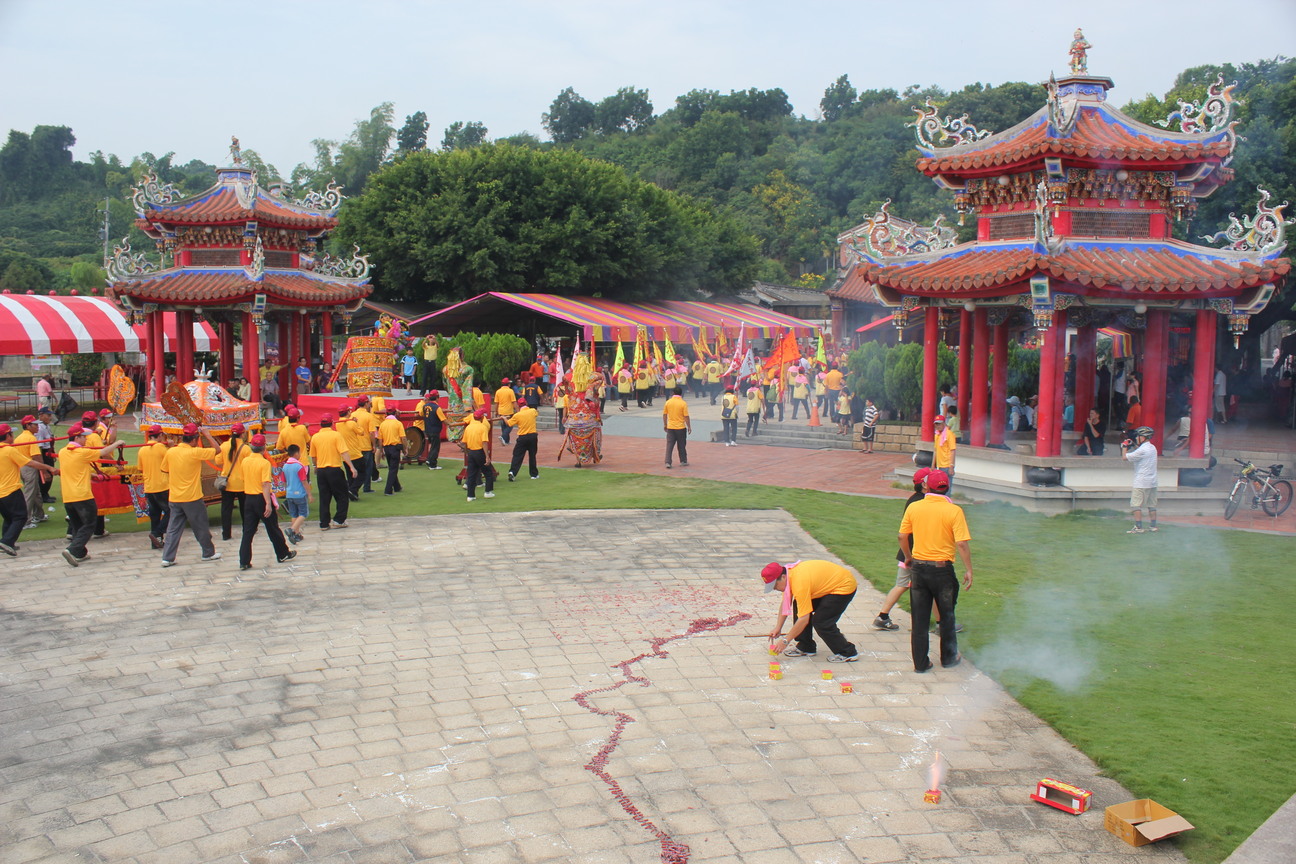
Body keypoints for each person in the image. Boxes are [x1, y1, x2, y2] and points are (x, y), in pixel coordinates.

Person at [898, 469, 973, 672]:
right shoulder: (954, 511)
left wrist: (908, 557)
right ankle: (948, 658)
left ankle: (921, 664)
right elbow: (962, 544)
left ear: (927, 487)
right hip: (942, 570)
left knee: (919, 619)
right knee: (947, 616)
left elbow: (902, 537)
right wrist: (969, 569)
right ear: (947, 488)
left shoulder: (915, 507)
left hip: (919, 568)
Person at [763, 560, 860, 662]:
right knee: (799, 605)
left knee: (821, 622)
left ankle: (847, 652)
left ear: (783, 577)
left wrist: (785, 641)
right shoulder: (789, 575)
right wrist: (778, 627)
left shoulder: (799, 583)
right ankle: (806, 646)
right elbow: (785, 603)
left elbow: (804, 619)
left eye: (775, 585)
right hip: (827, 586)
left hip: (843, 586)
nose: (774, 589)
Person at [160, 422, 223, 568]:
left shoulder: (171, 452)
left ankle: (167, 558)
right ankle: (208, 553)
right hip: (192, 497)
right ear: (194, 440)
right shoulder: (195, 452)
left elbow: (165, 470)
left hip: (175, 496)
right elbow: (217, 450)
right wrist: (207, 434)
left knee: (173, 528)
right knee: (200, 526)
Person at [238, 433, 295, 570]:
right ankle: (282, 553)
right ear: (264, 448)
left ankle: (244, 561)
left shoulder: (245, 461)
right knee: (272, 527)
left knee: (248, 531)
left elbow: (243, 478)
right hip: (261, 498)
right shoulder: (264, 463)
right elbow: (265, 484)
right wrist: (268, 503)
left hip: (249, 498)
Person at [0, 423, 55, 557]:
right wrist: (48, 468)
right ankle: (7, 541)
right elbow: (30, 462)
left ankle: (6, 541)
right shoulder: (9, 450)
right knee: (20, 516)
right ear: (8, 436)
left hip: (2, 492)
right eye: (11, 434)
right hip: (10, 489)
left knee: (9, 518)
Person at [57, 424, 102, 566]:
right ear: (77, 437)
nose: (86, 440)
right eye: (83, 437)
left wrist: (91, 474)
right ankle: (72, 550)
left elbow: (76, 469)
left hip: (68, 496)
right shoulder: (82, 452)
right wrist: (118, 443)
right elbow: (102, 452)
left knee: (78, 526)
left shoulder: (62, 452)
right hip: (82, 496)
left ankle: (80, 553)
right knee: (89, 524)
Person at [309, 413, 358, 530]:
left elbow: (313, 456)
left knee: (324, 497)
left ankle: (324, 523)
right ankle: (339, 520)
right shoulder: (336, 435)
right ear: (332, 423)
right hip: (334, 469)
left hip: (321, 470)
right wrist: (351, 466)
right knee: (342, 495)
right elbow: (344, 452)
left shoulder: (315, 437)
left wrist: (316, 465)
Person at [136, 424, 170, 549]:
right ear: (160, 435)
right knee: (170, 511)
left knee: (155, 515)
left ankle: (156, 542)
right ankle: (157, 534)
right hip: (162, 485)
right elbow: (169, 462)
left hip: (149, 486)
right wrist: (170, 447)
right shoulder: (161, 448)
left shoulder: (142, 449)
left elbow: (140, 469)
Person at [1122, 425, 1159, 534]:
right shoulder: (1152, 448)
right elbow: (1139, 454)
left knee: (1136, 504)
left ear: (1143, 437)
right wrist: (1133, 446)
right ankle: (1153, 526)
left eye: (1138, 436)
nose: (1137, 437)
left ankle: (1138, 527)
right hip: (1152, 481)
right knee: (1152, 505)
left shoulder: (1142, 450)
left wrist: (1124, 446)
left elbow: (1125, 457)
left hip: (1141, 481)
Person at [216, 423, 249, 542]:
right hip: (242, 482)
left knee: (226, 509)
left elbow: (218, 460)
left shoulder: (224, 446)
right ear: (243, 434)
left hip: (227, 482)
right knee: (244, 508)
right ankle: (247, 530)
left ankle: (226, 533)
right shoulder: (245, 448)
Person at [14, 415, 44, 528]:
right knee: (30, 493)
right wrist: (44, 469)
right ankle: (25, 520)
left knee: (35, 492)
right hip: (29, 467)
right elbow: (36, 455)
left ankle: (39, 515)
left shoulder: (19, 438)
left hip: (22, 467)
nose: (37, 427)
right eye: (35, 425)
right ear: (28, 425)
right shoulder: (31, 438)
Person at [462, 408, 495, 501]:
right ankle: (488, 492)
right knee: (488, 473)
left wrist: (467, 452)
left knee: (472, 474)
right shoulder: (482, 427)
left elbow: (464, 442)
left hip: (471, 452)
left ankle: (470, 496)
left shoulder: (468, 427)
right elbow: (484, 442)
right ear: (481, 418)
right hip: (479, 452)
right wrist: (487, 456)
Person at [281, 443, 311, 544]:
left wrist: (287, 491)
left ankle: (296, 534)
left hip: (290, 494)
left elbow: (284, 481)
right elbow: (304, 481)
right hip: (299, 493)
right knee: (303, 513)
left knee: (294, 514)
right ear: (297, 453)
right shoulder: (299, 466)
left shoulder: (285, 466)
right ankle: (292, 529)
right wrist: (309, 494)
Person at [507, 399, 540, 481]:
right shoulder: (532, 411)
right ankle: (534, 474)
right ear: (527, 403)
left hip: (522, 437)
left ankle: (513, 472)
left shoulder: (517, 415)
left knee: (517, 455)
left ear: (518, 406)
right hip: (532, 436)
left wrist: (504, 418)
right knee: (532, 455)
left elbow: (509, 423)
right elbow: (536, 413)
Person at [351, 397, 379, 493]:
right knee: (367, 467)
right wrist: (374, 445)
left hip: (354, 446)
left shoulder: (352, 415)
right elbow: (372, 433)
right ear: (366, 403)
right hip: (366, 445)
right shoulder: (369, 416)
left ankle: (353, 487)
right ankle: (366, 488)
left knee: (355, 468)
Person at [377, 406, 407, 495]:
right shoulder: (398, 423)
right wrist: (405, 449)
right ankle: (388, 490)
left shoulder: (383, 424)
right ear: (394, 413)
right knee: (393, 469)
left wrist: (381, 451)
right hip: (395, 448)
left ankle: (397, 486)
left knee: (392, 468)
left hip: (387, 448)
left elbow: (380, 440)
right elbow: (403, 438)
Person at [663, 389, 691, 469]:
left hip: (670, 427)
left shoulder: (668, 402)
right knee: (681, 445)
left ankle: (668, 462)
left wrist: (665, 424)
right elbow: (686, 416)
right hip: (681, 427)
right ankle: (683, 461)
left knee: (669, 445)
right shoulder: (683, 403)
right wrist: (689, 426)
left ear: (673, 393)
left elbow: (665, 415)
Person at [422, 391, 447, 470]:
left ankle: (429, 460)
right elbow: (443, 419)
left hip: (427, 429)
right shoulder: (437, 408)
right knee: (435, 447)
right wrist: (450, 425)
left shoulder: (425, 406)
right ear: (437, 397)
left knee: (432, 446)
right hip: (435, 429)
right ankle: (433, 464)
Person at [35, 409, 56, 502]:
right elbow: (40, 445)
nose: (50, 417)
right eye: (48, 415)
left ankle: (46, 493)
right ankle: (43, 494)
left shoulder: (46, 426)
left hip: (49, 451)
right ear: (41, 415)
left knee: (50, 473)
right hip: (44, 452)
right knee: (45, 474)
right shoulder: (40, 427)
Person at [933, 415, 957, 484]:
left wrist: (951, 466)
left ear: (944, 423)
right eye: (936, 424)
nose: (938, 426)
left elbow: (952, 451)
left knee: (947, 488)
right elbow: (935, 450)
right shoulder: (937, 435)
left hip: (947, 465)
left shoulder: (949, 434)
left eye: (939, 424)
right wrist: (933, 465)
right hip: (940, 465)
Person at [495, 378, 517, 444]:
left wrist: (496, 411)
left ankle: (506, 440)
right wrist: (517, 410)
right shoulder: (510, 391)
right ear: (508, 384)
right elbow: (514, 402)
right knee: (510, 425)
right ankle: (503, 437)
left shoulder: (498, 391)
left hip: (501, 411)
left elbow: (497, 403)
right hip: (509, 411)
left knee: (503, 426)